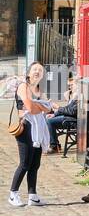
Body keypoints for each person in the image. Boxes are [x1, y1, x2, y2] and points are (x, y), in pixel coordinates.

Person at [8, 62, 54, 207]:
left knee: (35, 164)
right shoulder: (24, 87)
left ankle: (32, 196)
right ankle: (13, 194)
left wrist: (40, 106)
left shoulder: (39, 89)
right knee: (24, 164)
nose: (37, 72)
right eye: (35, 69)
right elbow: (31, 109)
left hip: (39, 128)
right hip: (27, 128)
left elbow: (49, 109)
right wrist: (42, 105)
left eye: (40, 70)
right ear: (28, 72)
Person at [46, 78, 79, 153]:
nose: (70, 87)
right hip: (70, 118)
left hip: (74, 120)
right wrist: (54, 114)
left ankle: (54, 146)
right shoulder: (74, 95)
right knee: (48, 119)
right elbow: (67, 109)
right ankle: (56, 144)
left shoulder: (79, 96)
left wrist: (57, 107)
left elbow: (72, 111)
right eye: (69, 85)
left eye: (71, 85)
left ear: (78, 85)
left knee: (50, 122)